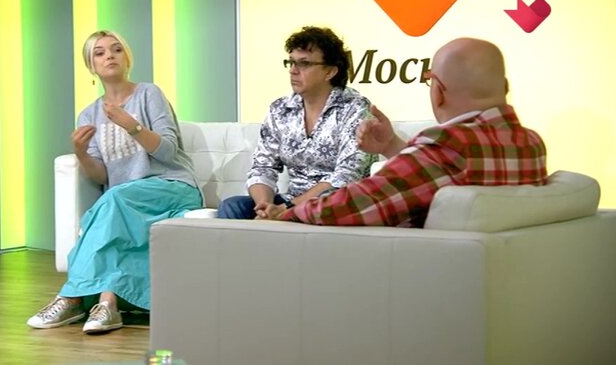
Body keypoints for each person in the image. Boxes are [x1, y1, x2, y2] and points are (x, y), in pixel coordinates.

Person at [261, 37, 548, 226]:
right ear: (505, 87)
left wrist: (288, 214)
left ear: (439, 92)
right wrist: (391, 146)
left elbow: (355, 205)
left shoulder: (450, 145)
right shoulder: (530, 143)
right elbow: (443, 176)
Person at [27, 30, 202, 334]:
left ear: (127, 58)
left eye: (116, 49)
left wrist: (132, 126)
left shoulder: (149, 94)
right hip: (126, 201)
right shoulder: (89, 114)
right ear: (91, 65)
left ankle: (71, 298)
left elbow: (169, 151)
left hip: (172, 188)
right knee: (113, 212)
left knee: (111, 202)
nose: (109, 55)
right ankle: (108, 305)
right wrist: (81, 153)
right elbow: (102, 176)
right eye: (99, 52)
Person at [216, 26, 373, 220]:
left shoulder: (355, 108)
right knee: (233, 206)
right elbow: (263, 167)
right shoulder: (281, 109)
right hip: (290, 201)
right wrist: (265, 207)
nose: (293, 70)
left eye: (304, 63)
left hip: (334, 204)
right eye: (291, 62)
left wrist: (287, 209)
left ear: (330, 71)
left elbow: (347, 177)